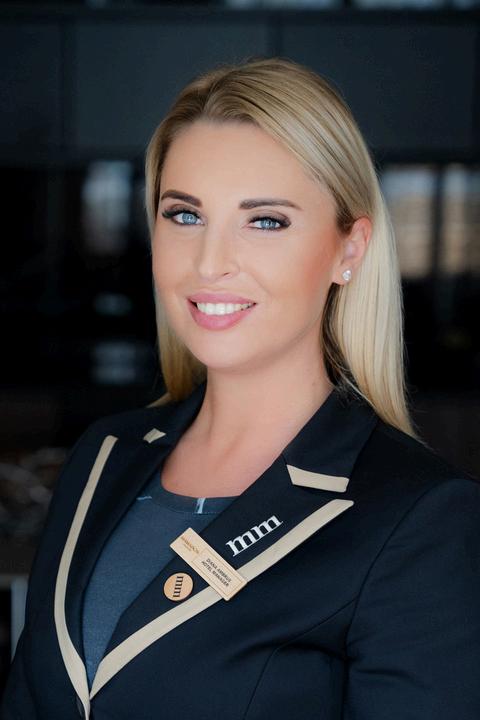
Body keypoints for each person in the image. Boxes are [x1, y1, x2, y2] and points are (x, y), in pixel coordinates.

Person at [1, 56, 479, 720]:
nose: (210, 262)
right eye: (184, 215)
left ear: (349, 249)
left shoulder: (420, 517)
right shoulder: (102, 456)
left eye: (265, 221)